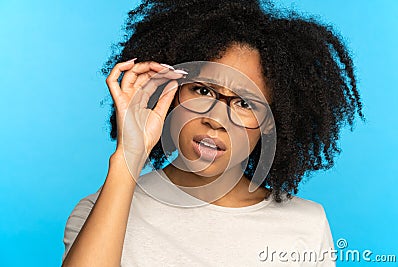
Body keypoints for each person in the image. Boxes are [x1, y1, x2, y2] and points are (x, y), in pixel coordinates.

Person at [61, 0, 365, 266]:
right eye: (203, 90)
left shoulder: (306, 225)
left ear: (270, 122)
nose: (216, 119)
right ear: (173, 92)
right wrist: (128, 159)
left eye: (245, 103)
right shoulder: (99, 213)